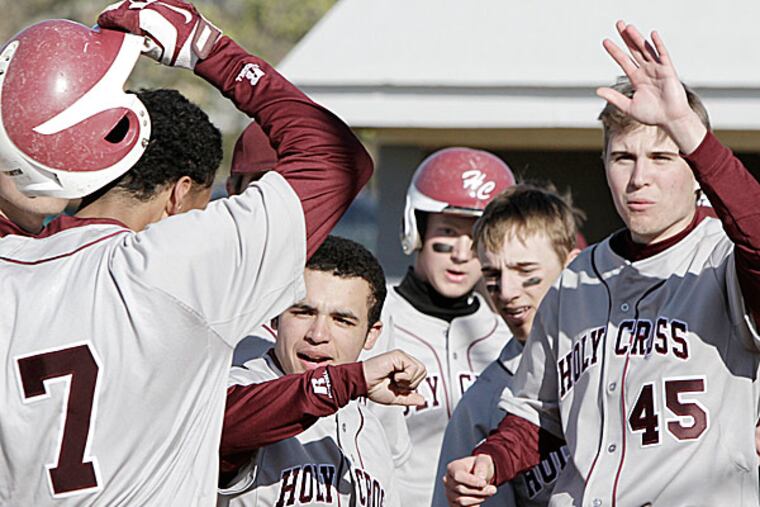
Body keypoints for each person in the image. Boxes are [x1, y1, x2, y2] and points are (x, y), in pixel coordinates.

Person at [0, 3, 423, 504]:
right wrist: (208, 49)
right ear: (180, 195)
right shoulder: (169, 265)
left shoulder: (11, 270)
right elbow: (335, 158)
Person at [444, 21, 760, 507]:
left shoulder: (722, 255)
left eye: (661, 156)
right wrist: (491, 460)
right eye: (622, 158)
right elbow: (536, 413)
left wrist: (689, 131)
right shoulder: (576, 277)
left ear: (695, 171)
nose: (639, 178)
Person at [218, 235, 415, 506]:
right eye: (303, 312)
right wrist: (347, 382)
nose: (318, 334)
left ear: (371, 335)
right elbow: (226, 424)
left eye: (342, 320)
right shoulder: (240, 388)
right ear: (275, 314)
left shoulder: (370, 429)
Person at [367, 147, 515, 505]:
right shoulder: (373, 321)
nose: (462, 254)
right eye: (448, 231)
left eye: (477, 237)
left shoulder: (506, 333)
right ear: (416, 229)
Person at [431, 184, 581, 507]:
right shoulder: (483, 401)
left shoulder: (621, 350)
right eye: (492, 274)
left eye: (525, 271)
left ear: (571, 266)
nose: (507, 291)